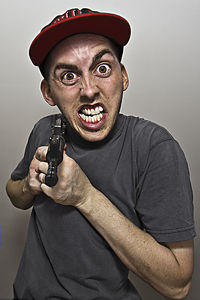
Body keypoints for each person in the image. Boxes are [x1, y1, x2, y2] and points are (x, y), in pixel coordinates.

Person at [6, 8, 195, 300]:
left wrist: (85, 196)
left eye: (102, 69)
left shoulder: (154, 148)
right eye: (69, 75)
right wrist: (29, 185)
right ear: (48, 93)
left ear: (123, 77)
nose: (89, 89)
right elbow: (14, 194)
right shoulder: (44, 130)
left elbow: (178, 285)